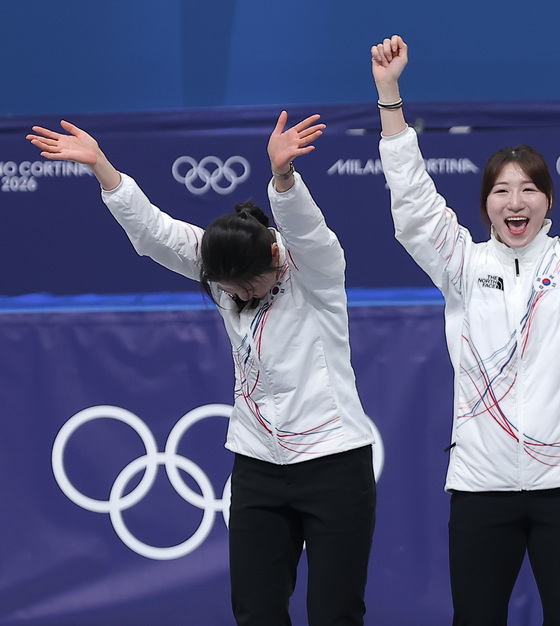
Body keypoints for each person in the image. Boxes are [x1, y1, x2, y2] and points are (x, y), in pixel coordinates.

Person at [28, 112, 378, 625]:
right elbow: (154, 233)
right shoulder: (221, 265)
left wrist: (283, 179)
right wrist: (101, 165)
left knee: (335, 613)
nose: (237, 295)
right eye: (228, 288)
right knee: (255, 611)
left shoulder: (316, 271)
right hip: (257, 466)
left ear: (276, 261)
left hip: (333, 465)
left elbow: (307, 230)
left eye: (247, 287)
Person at [370, 18, 560, 626]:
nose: (516, 202)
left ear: (548, 200)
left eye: (530, 189)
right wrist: (389, 97)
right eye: (502, 191)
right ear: (484, 202)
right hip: (481, 484)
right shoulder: (461, 263)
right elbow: (412, 203)